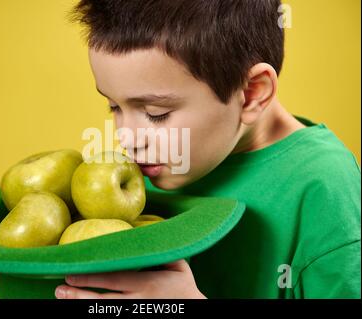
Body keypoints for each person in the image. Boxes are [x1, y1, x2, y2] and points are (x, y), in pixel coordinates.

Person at [55, 0, 361, 299]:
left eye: (155, 113)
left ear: (252, 94)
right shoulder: (148, 169)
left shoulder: (324, 191)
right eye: (113, 106)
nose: (127, 139)